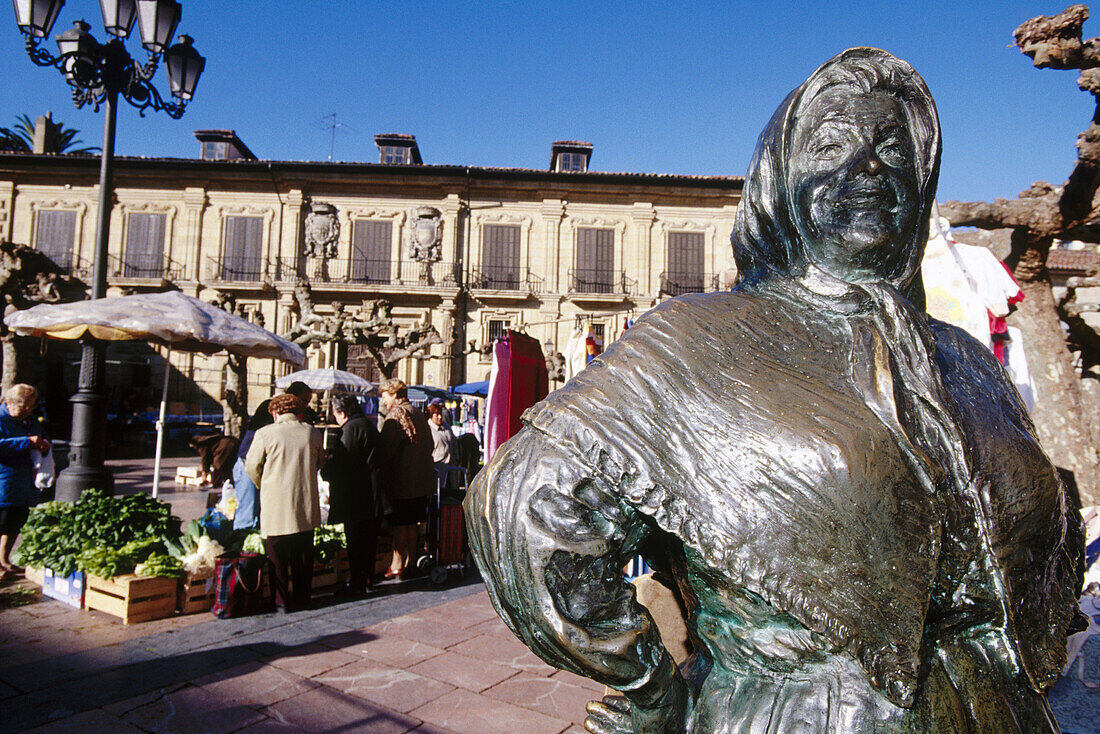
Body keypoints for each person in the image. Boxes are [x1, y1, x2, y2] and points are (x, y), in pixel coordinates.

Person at [465, 48, 1083, 733]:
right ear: (781, 179)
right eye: (833, 146)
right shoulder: (701, 339)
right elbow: (526, 503)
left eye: (891, 147)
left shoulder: (967, 359)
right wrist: (645, 684)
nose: (870, 165)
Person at [245, 393, 324, 612]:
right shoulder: (312, 432)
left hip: (276, 503)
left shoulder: (264, 434)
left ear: (275, 412)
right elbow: (320, 461)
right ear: (298, 412)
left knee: (277, 556)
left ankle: (281, 601)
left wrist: (265, 483)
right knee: (303, 554)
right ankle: (303, 597)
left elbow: (251, 466)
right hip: (305, 502)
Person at [327, 394, 383, 596]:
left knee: (356, 541)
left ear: (342, 412)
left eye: (335, 415)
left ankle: (358, 583)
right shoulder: (368, 425)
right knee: (368, 541)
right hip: (371, 495)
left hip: (356, 496)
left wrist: (326, 470)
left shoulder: (351, 429)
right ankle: (365, 579)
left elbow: (344, 462)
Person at [377, 378, 433, 581]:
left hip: (402, 480)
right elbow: (430, 445)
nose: (383, 401)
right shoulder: (417, 413)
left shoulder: (396, 415)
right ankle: (411, 561)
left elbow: (386, 451)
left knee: (400, 523)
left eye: (385, 396)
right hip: (420, 480)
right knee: (412, 522)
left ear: (395, 394)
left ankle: (397, 563)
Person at [0, 384, 49, 581]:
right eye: (24, 406)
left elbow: (41, 438)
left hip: (24, 479)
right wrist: (26, 441)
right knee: (2, 520)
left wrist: (43, 444)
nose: (29, 410)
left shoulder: (29, 421)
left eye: (31, 406)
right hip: (4, 478)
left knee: (15, 521)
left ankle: (4, 560)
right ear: (10, 403)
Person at [231, 403, 275, 531]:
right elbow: (252, 466)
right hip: (247, 465)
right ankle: (242, 547)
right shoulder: (270, 407)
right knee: (247, 516)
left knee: (258, 516)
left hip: (259, 467)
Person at [426, 402, 457, 466]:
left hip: (451, 467)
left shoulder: (447, 427)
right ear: (431, 416)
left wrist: (456, 459)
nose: (440, 417)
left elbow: (454, 443)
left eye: (440, 414)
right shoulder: (427, 429)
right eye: (437, 415)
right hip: (436, 466)